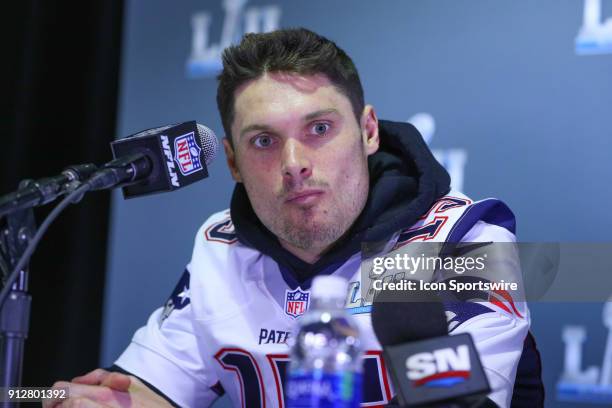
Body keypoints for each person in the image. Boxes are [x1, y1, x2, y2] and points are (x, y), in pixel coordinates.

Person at [46, 28, 543, 407]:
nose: (293, 163)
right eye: (263, 141)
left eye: (319, 128)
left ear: (368, 131)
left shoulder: (460, 243)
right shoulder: (221, 248)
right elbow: (146, 390)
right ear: (234, 161)